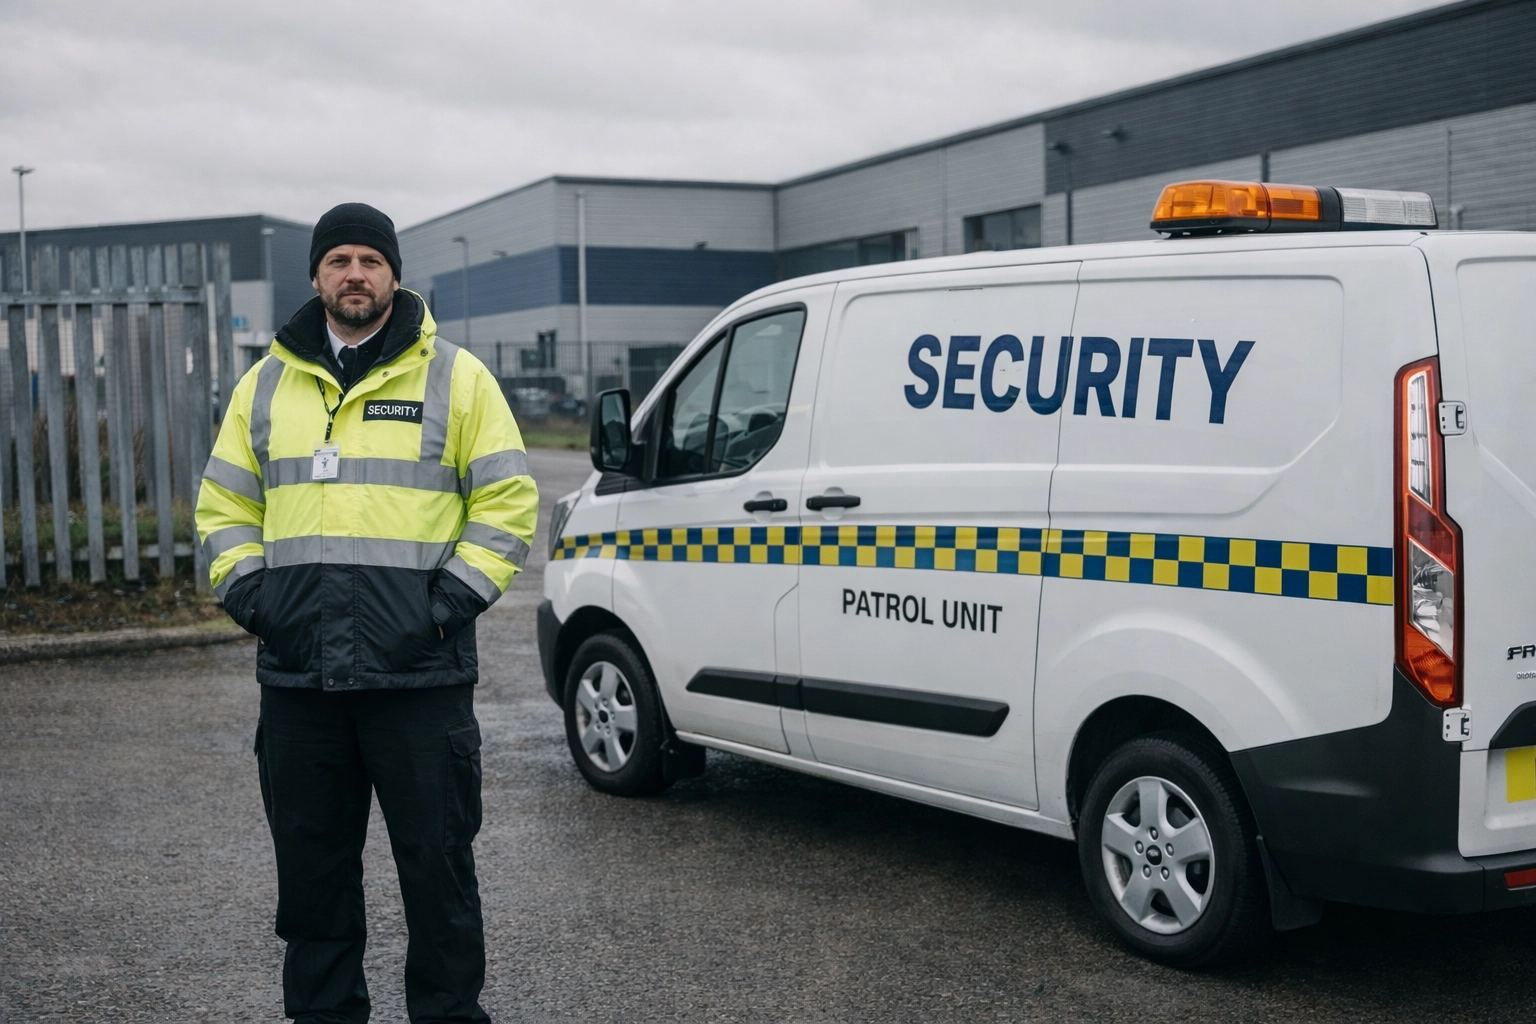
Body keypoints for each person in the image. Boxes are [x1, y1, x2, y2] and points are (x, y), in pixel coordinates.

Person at [195, 203, 537, 1023]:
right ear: (316, 275)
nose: (355, 274)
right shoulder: (266, 382)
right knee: (312, 882)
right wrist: (258, 600)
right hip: (301, 677)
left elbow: (506, 503)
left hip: (419, 677)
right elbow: (222, 507)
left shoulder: (457, 377)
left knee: (439, 874)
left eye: (370, 260)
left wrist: (444, 609)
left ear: (393, 274)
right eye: (339, 259)